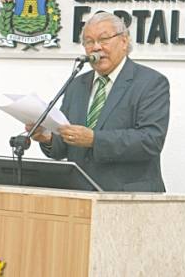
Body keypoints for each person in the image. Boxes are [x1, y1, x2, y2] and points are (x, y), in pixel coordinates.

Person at [26, 12, 170, 192]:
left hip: (129, 197)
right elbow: (65, 146)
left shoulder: (150, 82)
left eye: (103, 39)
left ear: (124, 42)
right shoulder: (77, 84)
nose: (95, 47)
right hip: (80, 194)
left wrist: (95, 140)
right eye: (88, 42)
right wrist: (47, 138)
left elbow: (150, 141)